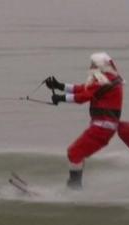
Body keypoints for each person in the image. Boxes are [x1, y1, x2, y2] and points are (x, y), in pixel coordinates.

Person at [45, 52, 123, 189]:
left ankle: (74, 189)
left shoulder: (104, 81)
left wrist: (61, 98)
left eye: (93, 64)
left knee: (74, 152)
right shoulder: (108, 78)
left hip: (102, 128)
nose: (91, 66)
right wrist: (59, 86)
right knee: (76, 153)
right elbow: (83, 89)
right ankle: (75, 187)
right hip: (103, 127)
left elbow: (83, 97)